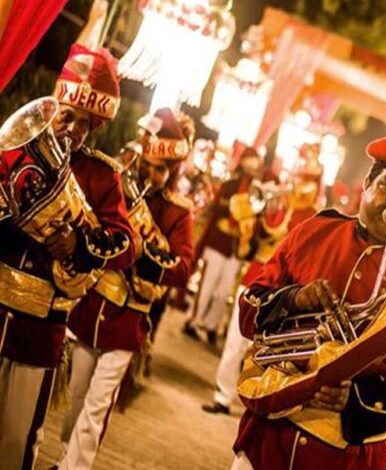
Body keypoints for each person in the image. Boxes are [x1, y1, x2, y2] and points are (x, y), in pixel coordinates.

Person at [232, 137, 386, 469]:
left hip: (345, 459)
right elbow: (249, 311)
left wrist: (356, 399)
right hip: (267, 438)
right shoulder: (315, 230)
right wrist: (294, 299)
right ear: (367, 184)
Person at [0, 43, 136, 469]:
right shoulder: (15, 150)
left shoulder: (102, 174)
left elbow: (125, 243)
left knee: (15, 439)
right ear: (53, 107)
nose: (72, 129)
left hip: (39, 327)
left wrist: (79, 243)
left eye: (84, 124)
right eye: (67, 116)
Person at [56, 108, 195, 469]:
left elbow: (183, 269)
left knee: (98, 404)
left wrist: (146, 254)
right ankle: (65, 458)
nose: (150, 173)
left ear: (173, 170)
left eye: (160, 169)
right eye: (147, 164)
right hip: (92, 306)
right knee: (77, 396)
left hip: (128, 317)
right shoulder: (118, 184)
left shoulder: (179, 211)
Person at [201, 150, 321, 415]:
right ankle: (222, 396)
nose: (299, 183)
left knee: (270, 352)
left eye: (306, 179)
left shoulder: (316, 218)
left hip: (287, 292)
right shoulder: (276, 204)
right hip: (256, 278)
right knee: (235, 341)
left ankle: (259, 401)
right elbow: (250, 232)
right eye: (298, 176)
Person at [183, 147, 268, 344]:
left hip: (237, 248)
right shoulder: (230, 185)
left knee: (223, 292)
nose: (253, 164)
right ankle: (193, 321)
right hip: (219, 242)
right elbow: (216, 207)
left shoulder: (256, 191)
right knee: (207, 286)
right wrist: (233, 207)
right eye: (250, 160)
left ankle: (211, 325)